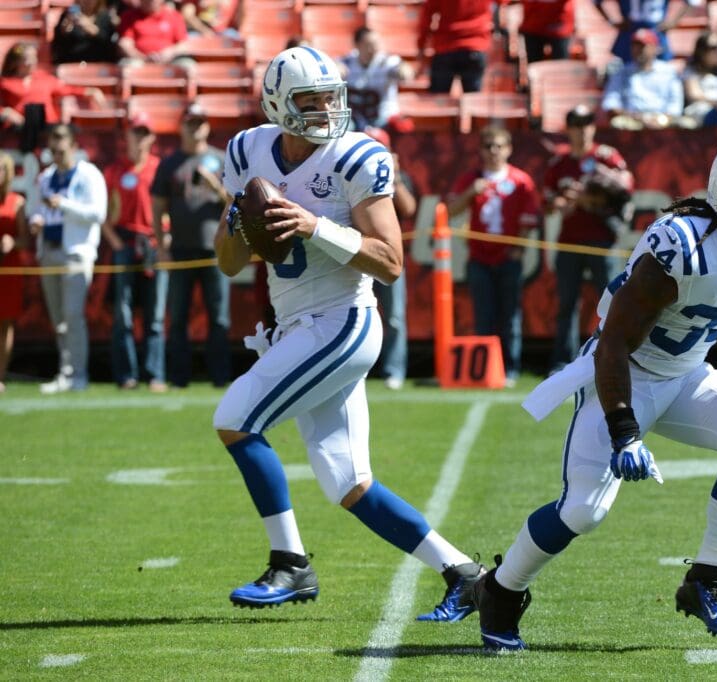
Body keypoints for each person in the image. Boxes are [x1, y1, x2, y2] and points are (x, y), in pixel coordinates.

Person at [469, 137, 717, 651]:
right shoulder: (681, 249)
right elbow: (613, 344)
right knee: (584, 511)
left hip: (689, 372)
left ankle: (706, 582)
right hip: (627, 373)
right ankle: (500, 589)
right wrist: (625, 434)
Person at [212, 46, 485, 619]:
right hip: (295, 325)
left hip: (342, 321)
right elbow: (229, 263)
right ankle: (464, 573)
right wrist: (241, 219)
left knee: (235, 418)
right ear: (277, 105)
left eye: (330, 99)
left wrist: (315, 226)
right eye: (308, 102)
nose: (324, 112)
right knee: (348, 483)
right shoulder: (247, 151)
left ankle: (290, 565)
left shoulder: (355, 156)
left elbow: (390, 263)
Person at [448, 126, 542, 386]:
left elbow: (528, 217)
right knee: (483, 315)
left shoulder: (521, 180)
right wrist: (471, 193)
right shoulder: (472, 178)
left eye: (499, 146)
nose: (493, 151)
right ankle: (484, 368)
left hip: (508, 257)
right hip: (478, 256)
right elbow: (449, 211)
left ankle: (510, 368)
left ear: (509, 149)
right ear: (480, 150)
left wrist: (518, 249)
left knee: (510, 316)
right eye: (488, 146)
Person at [544, 104, 633, 373]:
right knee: (567, 303)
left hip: (602, 239)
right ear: (568, 129)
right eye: (576, 125)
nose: (581, 130)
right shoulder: (559, 163)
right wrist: (563, 202)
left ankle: (619, 357)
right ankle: (565, 362)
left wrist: (592, 194)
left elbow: (627, 186)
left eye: (586, 124)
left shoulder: (607, 157)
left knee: (612, 301)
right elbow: (547, 202)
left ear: (593, 127)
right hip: (570, 239)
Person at [152, 104, 232, 388]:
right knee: (178, 316)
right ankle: (178, 378)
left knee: (219, 317)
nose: (195, 128)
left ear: (207, 127)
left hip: (215, 249)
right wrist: (161, 246)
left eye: (200, 123)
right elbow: (158, 206)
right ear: (181, 127)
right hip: (181, 250)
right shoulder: (170, 163)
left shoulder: (222, 160)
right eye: (190, 123)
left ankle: (221, 376)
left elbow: (236, 204)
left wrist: (215, 187)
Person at [26, 124, 107, 394]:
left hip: (75, 251)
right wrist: (36, 220)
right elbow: (37, 209)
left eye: (61, 149)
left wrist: (65, 205)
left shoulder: (89, 174)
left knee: (73, 315)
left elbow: (98, 213)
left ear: (73, 146)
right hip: (49, 249)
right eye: (53, 150)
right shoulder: (46, 177)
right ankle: (65, 372)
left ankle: (78, 374)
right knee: (59, 318)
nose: (57, 154)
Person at [102, 113, 167, 392]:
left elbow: (168, 209)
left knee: (154, 316)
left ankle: (154, 375)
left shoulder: (159, 168)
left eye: (144, 133)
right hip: (125, 244)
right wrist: (115, 242)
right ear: (126, 136)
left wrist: (164, 240)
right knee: (123, 314)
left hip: (153, 243)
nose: (139, 138)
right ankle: (127, 376)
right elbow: (103, 215)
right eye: (135, 132)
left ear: (151, 138)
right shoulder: (114, 171)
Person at [366, 126, 416, 390]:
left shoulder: (398, 177)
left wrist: (393, 177)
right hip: (358, 254)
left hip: (387, 256)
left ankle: (393, 369)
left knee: (394, 316)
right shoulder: (351, 175)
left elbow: (409, 208)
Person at [1, 42, 105, 130]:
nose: (33, 62)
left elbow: (67, 89)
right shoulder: (5, 82)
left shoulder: (44, 77)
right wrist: (6, 112)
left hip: (47, 126)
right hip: (20, 128)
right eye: (27, 58)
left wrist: (89, 91)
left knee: (72, 131)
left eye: (34, 57)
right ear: (15, 62)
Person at [601, 29, 684, 130]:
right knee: (618, 123)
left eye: (642, 46)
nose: (638, 50)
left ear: (654, 48)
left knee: (685, 123)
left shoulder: (668, 72)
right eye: (635, 46)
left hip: (663, 119)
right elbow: (611, 103)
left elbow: (675, 104)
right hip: (632, 119)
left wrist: (662, 119)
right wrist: (637, 117)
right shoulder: (621, 72)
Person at [340, 27, 414, 132]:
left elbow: (403, 69)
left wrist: (404, 71)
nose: (374, 48)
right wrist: (337, 70)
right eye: (369, 44)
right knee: (342, 127)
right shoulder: (347, 62)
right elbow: (336, 67)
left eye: (376, 43)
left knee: (402, 126)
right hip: (355, 120)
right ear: (357, 45)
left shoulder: (386, 62)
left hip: (383, 118)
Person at [418, 0, 492, 94]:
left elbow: (427, 14)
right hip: (474, 47)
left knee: (438, 101)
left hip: (446, 48)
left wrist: (421, 45)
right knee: (472, 102)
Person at [0, 152, 29, 394]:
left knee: (5, 325)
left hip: (9, 269)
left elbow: (25, 239)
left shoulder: (16, 202)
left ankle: (0, 376)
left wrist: (12, 242)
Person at [593, 0, 692, 64]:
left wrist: (674, 21)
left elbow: (692, 2)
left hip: (656, 30)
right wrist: (612, 21)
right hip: (630, 32)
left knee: (660, 67)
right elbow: (596, 2)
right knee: (627, 69)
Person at [118, 0, 194, 68]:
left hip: (169, 61)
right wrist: (142, 57)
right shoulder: (129, 16)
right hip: (139, 61)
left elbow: (183, 44)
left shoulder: (174, 16)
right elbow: (125, 44)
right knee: (128, 67)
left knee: (187, 66)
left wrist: (169, 52)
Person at [51, 0, 119, 65]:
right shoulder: (69, 15)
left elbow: (108, 41)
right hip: (72, 63)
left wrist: (90, 27)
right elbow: (58, 43)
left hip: (97, 63)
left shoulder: (104, 16)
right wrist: (64, 30)